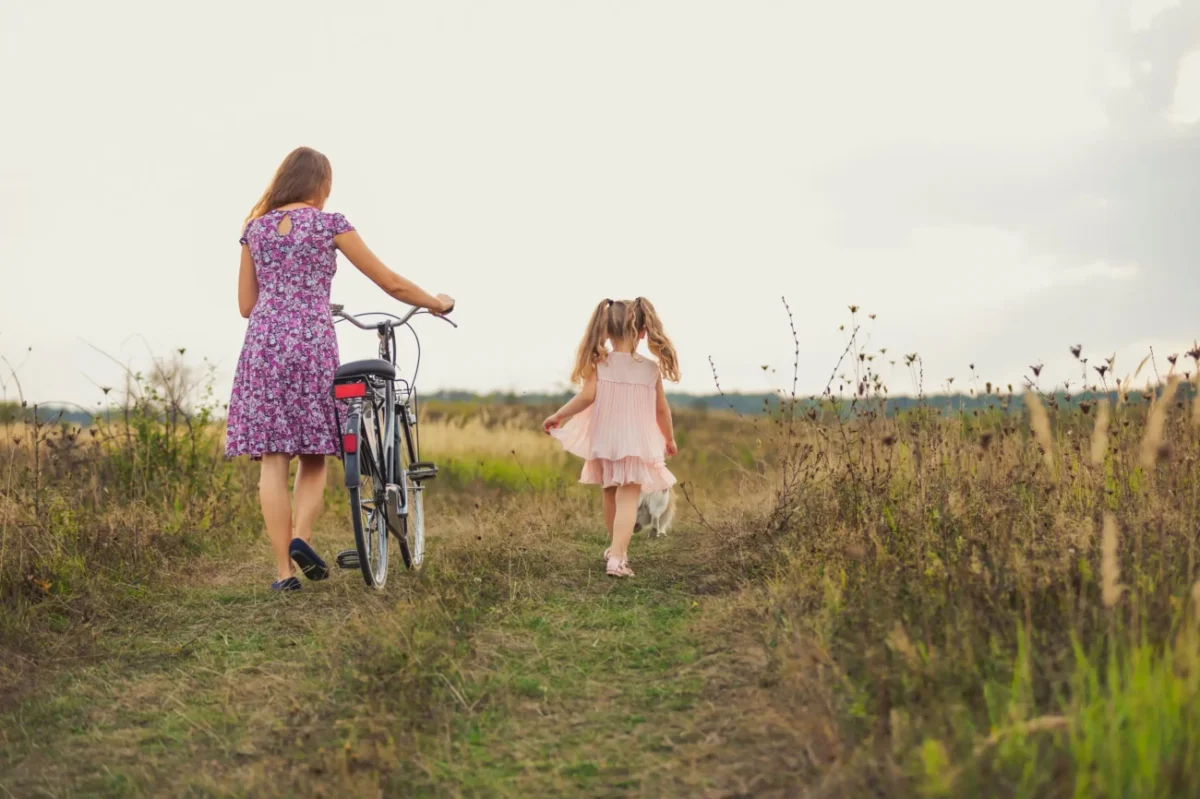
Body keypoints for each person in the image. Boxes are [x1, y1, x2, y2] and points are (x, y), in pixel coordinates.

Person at [225, 146, 454, 591]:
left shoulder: (255, 228)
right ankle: (301, 538)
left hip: (263, 346)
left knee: (272, 460)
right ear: (321, 185)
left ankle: (284, 574)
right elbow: (390, 282)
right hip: (311, 342)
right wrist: (436, 302)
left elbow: (246, 306)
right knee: (314, 453)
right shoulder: (329, 224)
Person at [542, 298, 679, 577]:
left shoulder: (600, 364)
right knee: (628, 498)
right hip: (636, 442)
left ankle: (617, 550)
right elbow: (661, 409)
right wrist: (669, 438)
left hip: (605, 439)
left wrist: (559, 415)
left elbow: (586, 397)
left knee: (609, 494)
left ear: (605, 330)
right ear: (643, 331)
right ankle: (617, 558)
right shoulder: (650, 369)